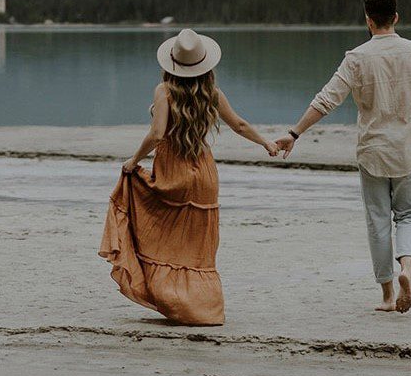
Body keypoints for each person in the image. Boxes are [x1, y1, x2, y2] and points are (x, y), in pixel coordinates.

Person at [276, 0, 411, 313]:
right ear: (396, 17)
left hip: (372, 152)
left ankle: (387, 295)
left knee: (378, 221)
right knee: (409, 214)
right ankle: (406, 268)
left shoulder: (357, 57)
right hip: (409, 150)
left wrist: (295, 133)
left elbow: (327, 99)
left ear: (367, 19)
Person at [99, 28, 278, 326]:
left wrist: (133, 161)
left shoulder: (164, 92)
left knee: (163, 236)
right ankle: (205, 308)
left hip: (174, 172)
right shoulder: (212, 93)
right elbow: (240, 125)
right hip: (205, 174)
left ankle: (173, 300)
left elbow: (157, 134)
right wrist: (267, 143)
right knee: (197, 249)